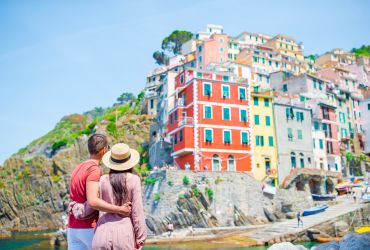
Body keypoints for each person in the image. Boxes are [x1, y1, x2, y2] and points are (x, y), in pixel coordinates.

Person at [68, 134, 132, 250]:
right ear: (104, 150)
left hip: (72, 228)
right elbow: (93, 202)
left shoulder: (77, 168)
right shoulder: (94, 170)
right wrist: (120, 209)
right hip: (89, 227)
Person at [92, 143, 147, 250]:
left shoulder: (102, 179)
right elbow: (137, 211)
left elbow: (92, 204)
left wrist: (76, 208)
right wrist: (141, 239)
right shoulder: (134, 179)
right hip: (124, 235)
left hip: (101, 233)